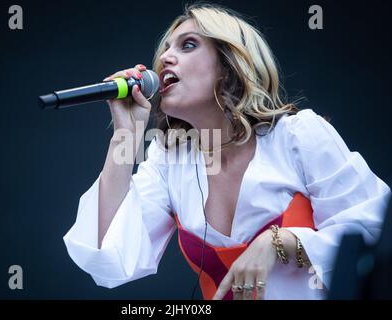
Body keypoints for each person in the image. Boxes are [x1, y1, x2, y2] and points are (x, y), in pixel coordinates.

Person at [63, 3, 391, 300]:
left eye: (187, 45)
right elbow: (109, 256)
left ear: (229, 64)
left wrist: (280, 242)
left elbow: (373, 232)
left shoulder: (298, 136)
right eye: (164, 49)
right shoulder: (169, 158)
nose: (164, 58)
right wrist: (126, 132)